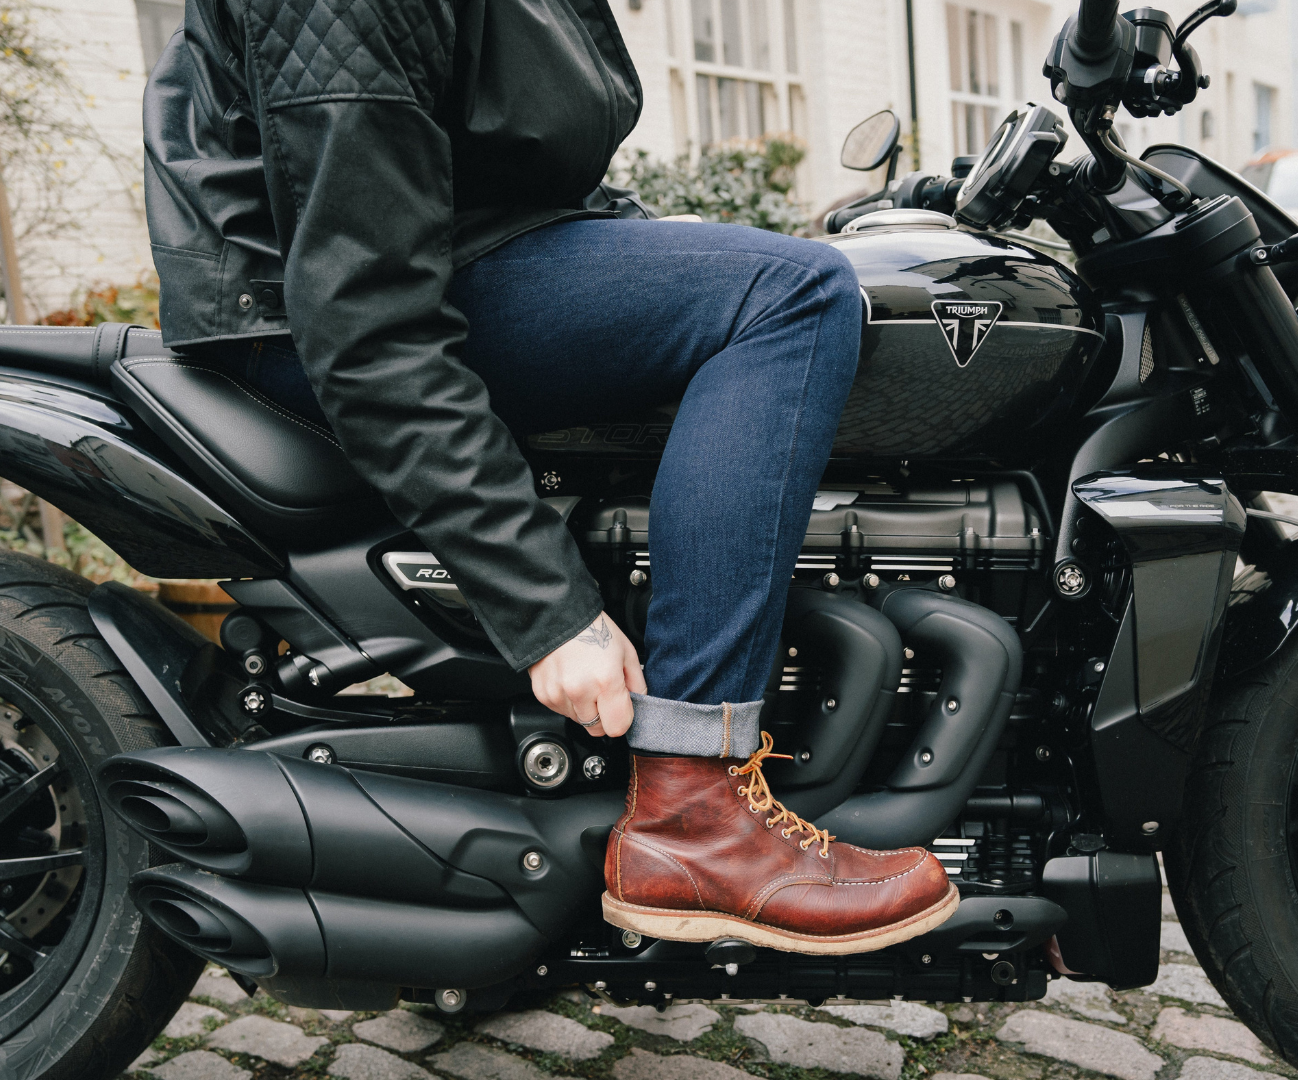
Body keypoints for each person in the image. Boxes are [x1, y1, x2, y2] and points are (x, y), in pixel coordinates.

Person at [143, 0, 955, 953]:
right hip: (300, 302)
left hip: (437, 250)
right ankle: (693, 809)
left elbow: (504, 171)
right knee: (795, 294)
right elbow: (365, 322)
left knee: (750, 277)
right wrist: (544, 608)